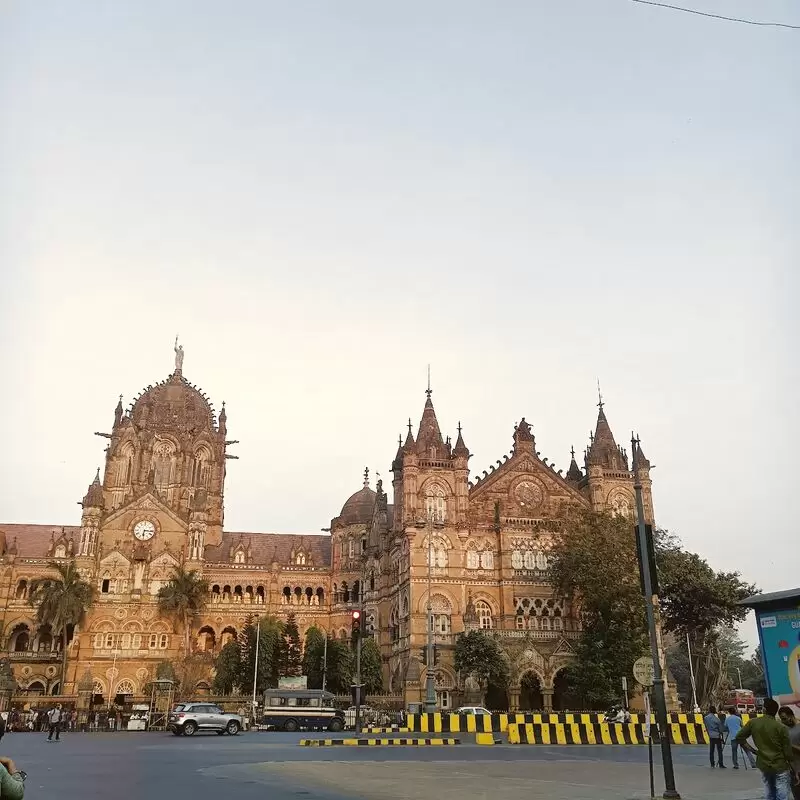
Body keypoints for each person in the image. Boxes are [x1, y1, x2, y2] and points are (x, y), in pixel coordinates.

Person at [736, 698, 793, 800]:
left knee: (769, 790)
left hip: (764, 764)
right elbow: (787, 751)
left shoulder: (753, 723)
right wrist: (792, 765)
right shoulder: (781, 727)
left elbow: (739, 737)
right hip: (780, 765)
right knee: (782, 792)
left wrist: (753, 750)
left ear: (764, 709)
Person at [778, 707, 800, 800]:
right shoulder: (785, 730)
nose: (783, 721)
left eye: (784, 718)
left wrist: (789, 745)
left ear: (791, 716)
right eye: (781, 719)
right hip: (793, 770)